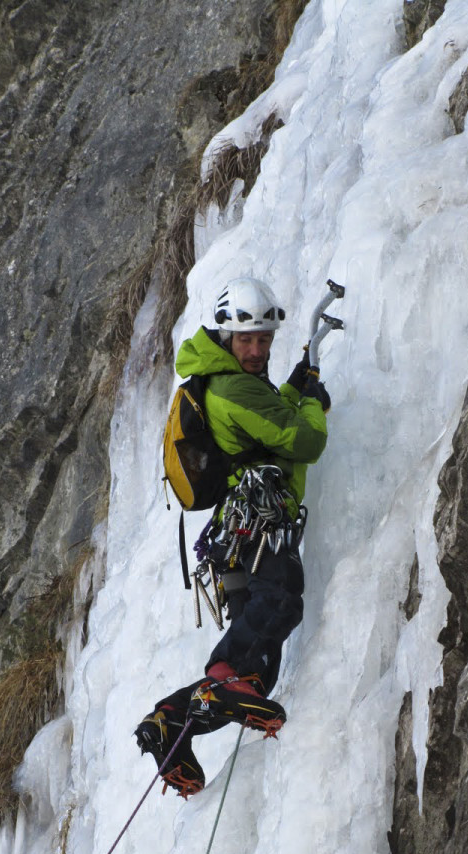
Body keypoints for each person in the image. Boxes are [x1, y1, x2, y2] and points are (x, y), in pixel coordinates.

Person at [134, 277, 331, 797]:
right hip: (258, 525)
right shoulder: (232, 386)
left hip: (236, 535)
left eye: (264, 339)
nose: (256, 349)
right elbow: (303, 439)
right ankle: (222, 674)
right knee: (282, 602)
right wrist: (313, 403)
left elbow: (265, 424)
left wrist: (294, 388)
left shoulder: (223, 381)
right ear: (226, 334)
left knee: (258, 671)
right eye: (247, 339)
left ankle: (172, 721)